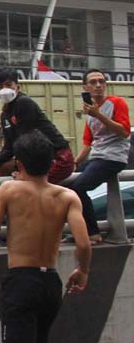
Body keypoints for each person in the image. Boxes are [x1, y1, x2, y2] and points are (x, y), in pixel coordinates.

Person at [0, 131, 91, 343]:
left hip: (21, 282)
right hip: (50, 283)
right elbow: (84, 243)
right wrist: (83, 270)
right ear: (52, 163)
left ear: (19, 163)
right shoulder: (67, 196)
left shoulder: (10, 190)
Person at [70, 69, 130, 243]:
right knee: (64, 183)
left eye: (101, 81)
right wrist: (74, 163)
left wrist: (99, 115)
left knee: (79, 187)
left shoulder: (116, 103)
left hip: (113, 158)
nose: (98, 85)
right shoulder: (89, 111)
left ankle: (92, 232)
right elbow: (88, 143)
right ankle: (73, 229)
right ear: (85, 87)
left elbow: (124, 132)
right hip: (96, 158)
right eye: (93, 82)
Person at [0, 68, 74, 183]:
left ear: (17, 87)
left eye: (8, 85)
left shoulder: (23, 103)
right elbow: (9, 145)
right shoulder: (5, 114)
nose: (4, 90)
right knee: (1, 168)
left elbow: (26, 141)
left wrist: (24, 174)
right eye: (0, 86)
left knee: (33, 188)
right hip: (37, 160)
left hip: (58, 158)